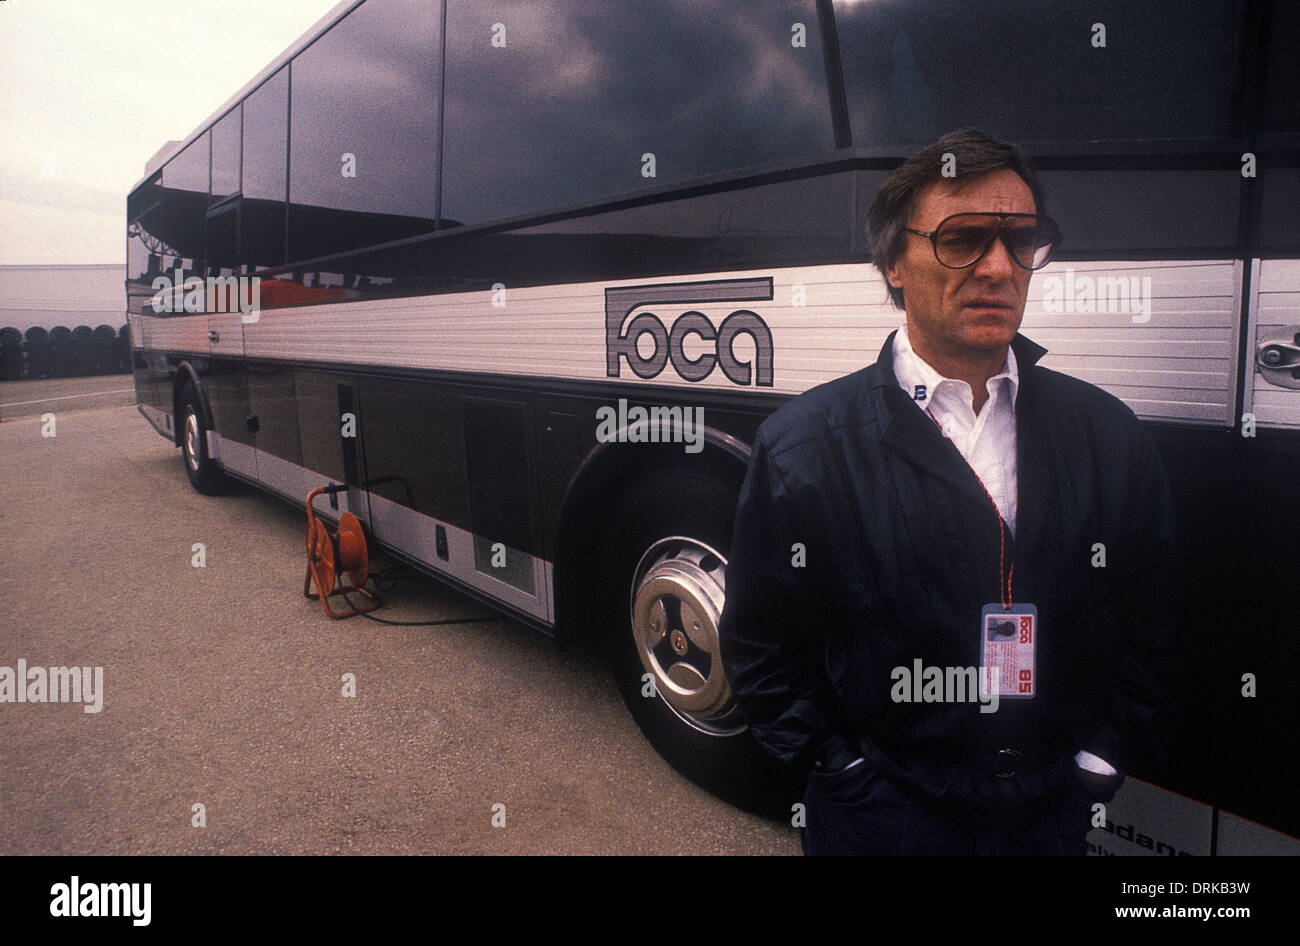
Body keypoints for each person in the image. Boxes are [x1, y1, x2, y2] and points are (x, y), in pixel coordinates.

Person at [717, 129, 1180, 855]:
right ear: (893, 264)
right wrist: (836, 766)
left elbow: (1155, 619)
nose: (999, 266)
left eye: (1021, 239)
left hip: (1050, 811)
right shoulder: (804, 446)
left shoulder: (1107, 434)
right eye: (963, 239)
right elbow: (758, 641)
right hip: (882, 812)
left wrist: (1100, 760)